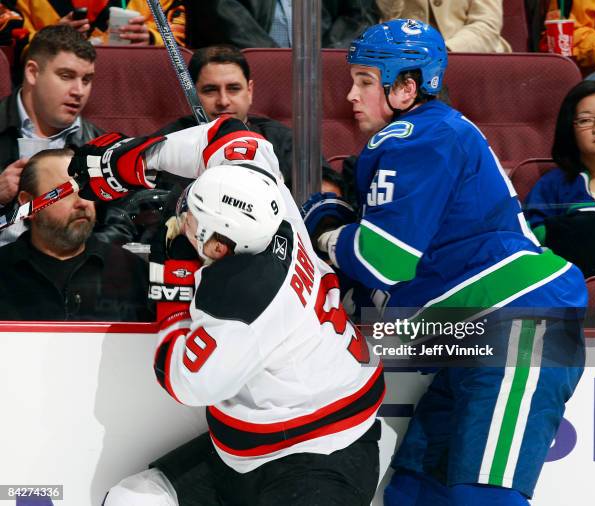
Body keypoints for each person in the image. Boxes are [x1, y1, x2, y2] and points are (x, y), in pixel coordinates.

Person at [299, 19, 585, 505]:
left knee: (484, 498)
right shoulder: (434, 134)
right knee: (413, 492)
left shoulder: (416, 137)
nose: (350, 95)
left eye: (366, 82)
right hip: (469, 337)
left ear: (407, 87)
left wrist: (327, 233)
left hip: (518, 329)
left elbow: (382, 260)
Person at [67, 131, 383, 504]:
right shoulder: (265, 203)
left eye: (193, 221)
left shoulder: (242, 295)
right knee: (131, 499)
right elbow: (229, 135)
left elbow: (185, 381)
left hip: (325, 453)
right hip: (250, 450)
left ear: (219, 247)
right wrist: (135, 158)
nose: (183, 222)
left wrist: (174, 282)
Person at [157, 44, 346, 195]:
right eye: (210, 90)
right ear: (193, 95)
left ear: (249, 91)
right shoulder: (167, 143)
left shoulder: (283, 140)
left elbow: (329, 191)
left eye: (233, 88)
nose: (223, 101)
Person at [0, 147, 153, 321]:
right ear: (28, 204)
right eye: (64, 192)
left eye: (88, 189)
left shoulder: (131, 271)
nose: (82, 202)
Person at [0, 24, 102, 244]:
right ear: (32, 73)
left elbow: (122, 223)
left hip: (73, 268)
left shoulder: (98, 145)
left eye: (87, 80)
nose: (79, 91)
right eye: (66, 76)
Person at [524, 78, 595, 277]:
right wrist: (590, 223)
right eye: (586, 120)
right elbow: (529, 235)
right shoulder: (552, 185)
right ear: (570, 130)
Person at [184, 0, 379, 50]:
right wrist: (277, 65)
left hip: (320, 80)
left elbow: (360, 16)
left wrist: (323, 60)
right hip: (243, 74)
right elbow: (218, 13)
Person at [13, 0, 185, 47]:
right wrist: (49, 38)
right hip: (46, 87)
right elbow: (7, 41)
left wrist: (151, 39)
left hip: (129, 85)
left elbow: (184, 35)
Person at [376, 0, 511, 52]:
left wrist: (447, 49)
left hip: (468, 52)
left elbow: (487, 24)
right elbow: (386, 20)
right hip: (407, 55)